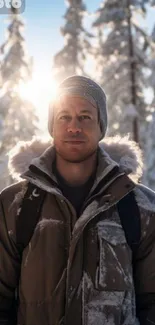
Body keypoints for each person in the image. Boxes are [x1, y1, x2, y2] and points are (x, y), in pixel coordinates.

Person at [0, 75, 155, 325]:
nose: (74, 127)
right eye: (64, 117)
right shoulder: (13, 206)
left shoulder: (141, 207)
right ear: (52, 126)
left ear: (100, 126)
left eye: (85, 117)